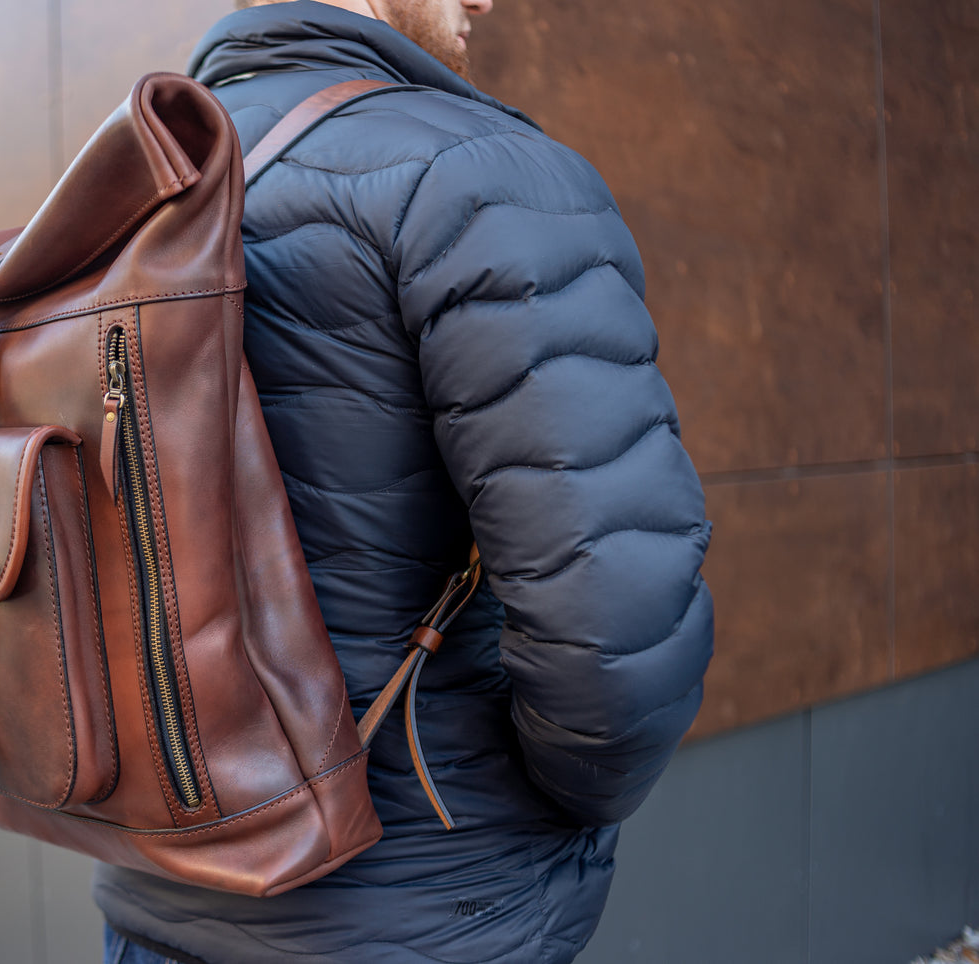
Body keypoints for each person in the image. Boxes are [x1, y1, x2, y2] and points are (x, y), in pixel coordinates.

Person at [94, 1, 715, 961]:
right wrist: (553, 803)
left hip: (156, 884)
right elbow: (616, 612)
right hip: (421, 904)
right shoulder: (474, 171)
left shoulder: (127, 189)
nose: (482, 2)